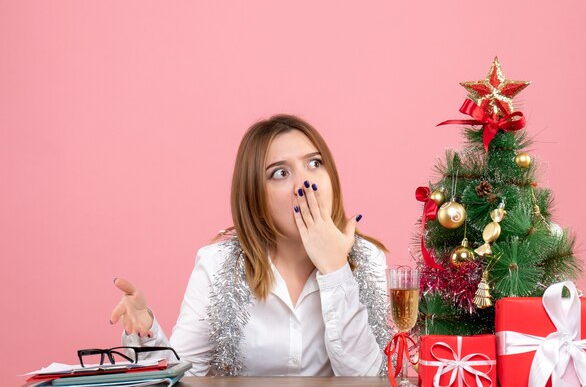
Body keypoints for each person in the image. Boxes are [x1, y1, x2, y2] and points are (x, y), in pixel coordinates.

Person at [109, 114, 390, 376]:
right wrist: (146, 333)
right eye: (280, 173)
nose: (304, 182)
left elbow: (367, 379)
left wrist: (335, 269)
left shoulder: (368, 259)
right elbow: (184, 376)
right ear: (255, 194)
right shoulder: (217, 264)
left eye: (315, 163)